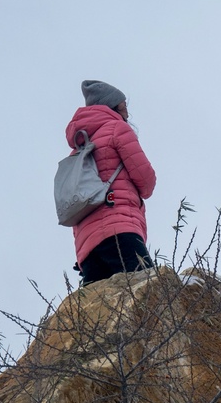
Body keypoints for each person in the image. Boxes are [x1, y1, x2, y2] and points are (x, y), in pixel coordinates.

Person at [65, 80, 157, 285]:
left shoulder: (77, 151)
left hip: (86, 249)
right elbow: (146, 182)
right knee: (152, 296)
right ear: (113, 108)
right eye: (124, 108)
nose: (127, 115)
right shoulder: (117, 128)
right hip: (121, 231)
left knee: (101, 316)